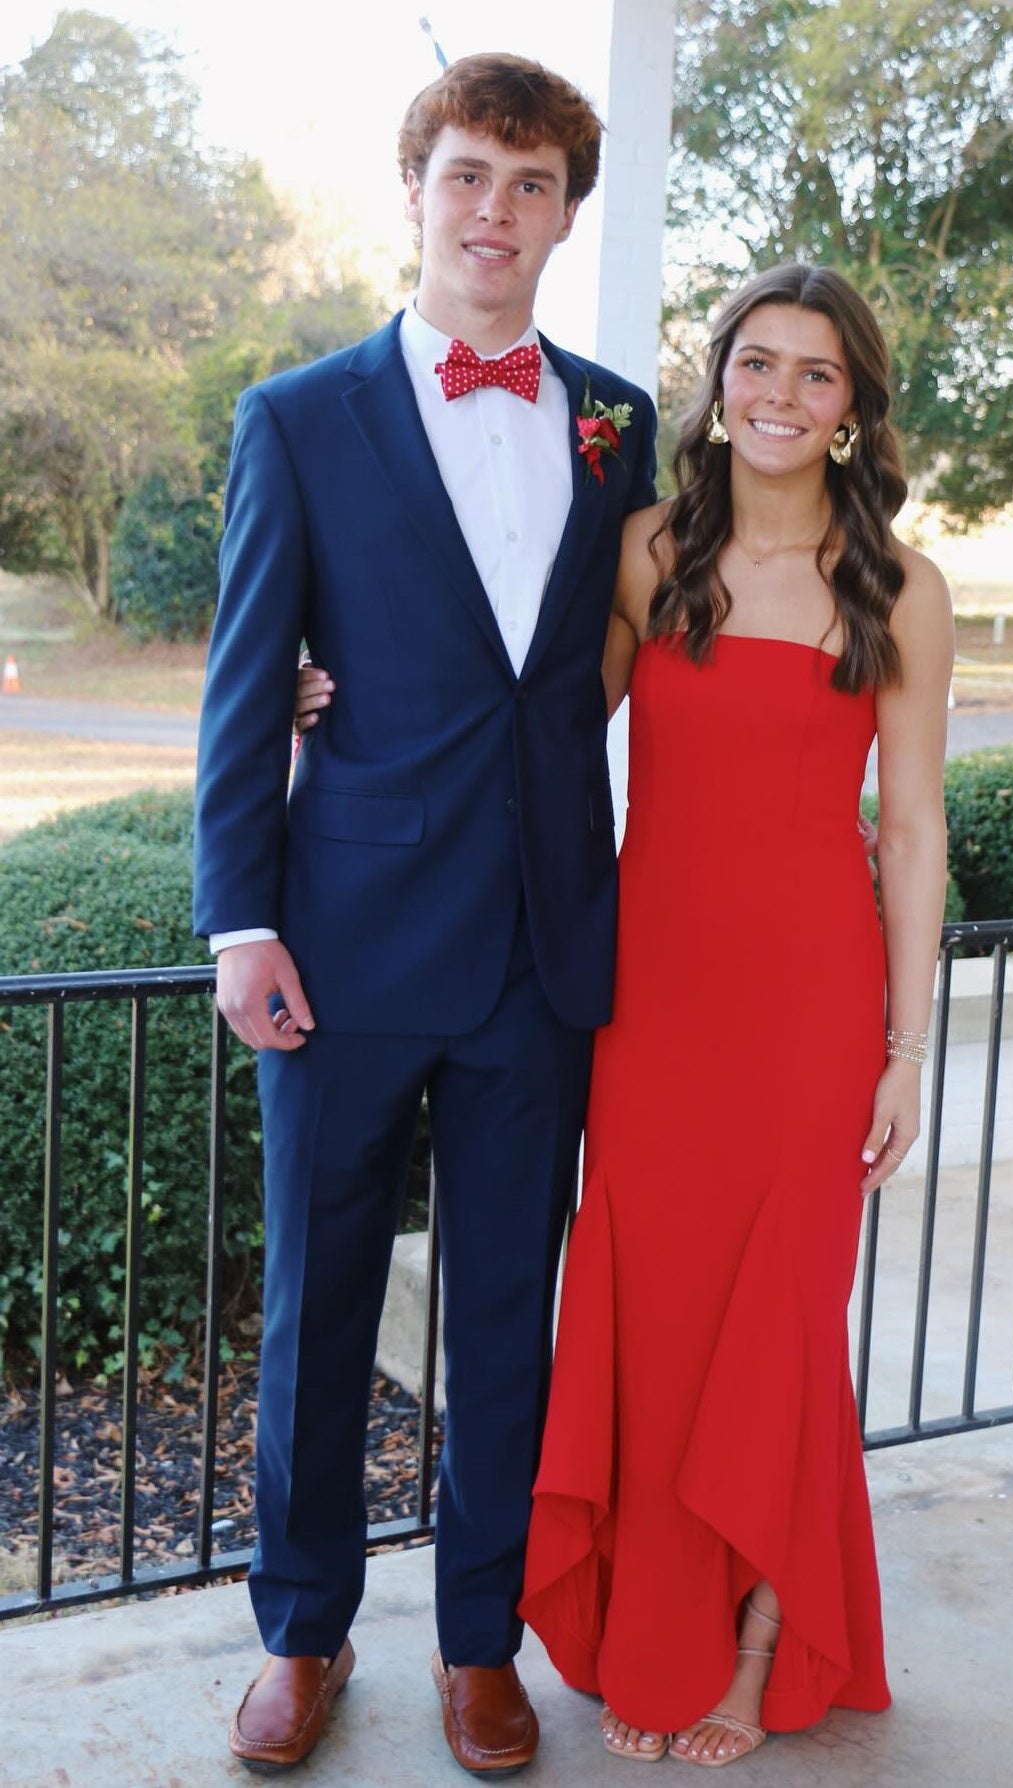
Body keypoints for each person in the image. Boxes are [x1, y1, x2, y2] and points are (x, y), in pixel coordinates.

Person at [192, 53, 656, 1777]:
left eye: (531, 188)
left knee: (506, 1324)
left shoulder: (618, 419)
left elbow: (589, 669)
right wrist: (242, 917)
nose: (496, 214)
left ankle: (482, 1642)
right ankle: (301, 1636)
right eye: (469, 176)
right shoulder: (298, 416)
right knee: (315, 1309)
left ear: (561, 215)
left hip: (542, 948)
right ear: (416, 188)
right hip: (346, 946)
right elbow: (247, 688)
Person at [513, 260, 954, 1767]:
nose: (779, 395)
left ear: (852, 409)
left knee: (777, 1318)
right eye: (756, 364)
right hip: (658, 1006)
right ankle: (656, 1623)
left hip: (812, 1010)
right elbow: (548, 730)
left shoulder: (899, 586)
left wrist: (907, 1049)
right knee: (656, 1311)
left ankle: (762, 1636)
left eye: (815, 374)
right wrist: (337, 691)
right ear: (720, 380)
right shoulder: (650, 549)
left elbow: (911, 832)